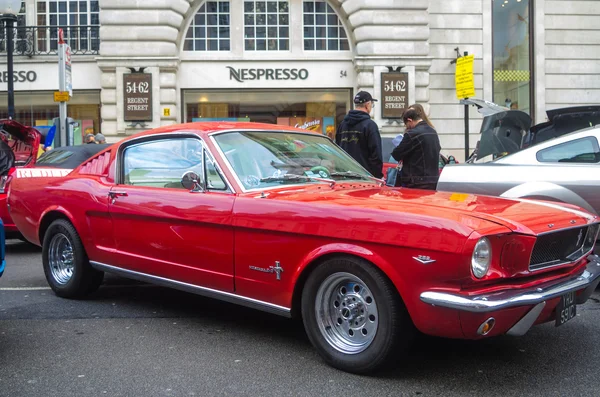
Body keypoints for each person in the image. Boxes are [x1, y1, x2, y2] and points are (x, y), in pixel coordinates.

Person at [335, 91, 383, 178]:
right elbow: (376, 155)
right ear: (367, 105)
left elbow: (336, 149)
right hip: (364, 177)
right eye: (372, 105)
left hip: (344, 175)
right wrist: (377, 176)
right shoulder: (370, 125)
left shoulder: (342, 125)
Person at [391, 108, 441, 190]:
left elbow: (396, 154)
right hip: (433, 179)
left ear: (410, 120)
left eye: (406, 124)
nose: (407, 127)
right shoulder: (432, 131)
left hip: (416, 181)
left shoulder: (412, 134)